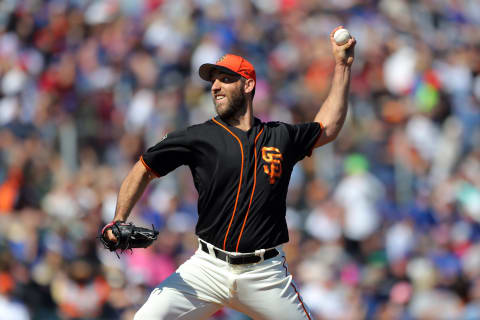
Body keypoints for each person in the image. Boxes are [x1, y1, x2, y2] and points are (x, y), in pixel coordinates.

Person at [104, 26, 356, 320]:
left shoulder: (279, 136)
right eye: (213, 81)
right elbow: (143, 169)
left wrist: (342, 67)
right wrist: (118, 219)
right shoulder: (197, 137)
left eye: (226, 79)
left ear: (248, 85)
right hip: (207, 268)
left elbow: (328, 128)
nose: (215, 86)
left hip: (264, 273)